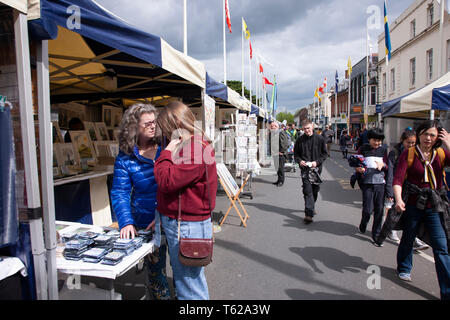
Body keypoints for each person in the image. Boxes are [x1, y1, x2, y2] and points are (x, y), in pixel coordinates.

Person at [154, 101, 218, 300]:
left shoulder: (194, 149)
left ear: (173, 126)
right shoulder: (195, 146)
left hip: (187, 225)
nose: (164, 135)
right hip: (187, 222)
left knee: (189, 286)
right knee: (188, 280)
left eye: (165, 129)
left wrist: (165, 153)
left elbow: (166, 180)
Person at [110, 103, 171, 300]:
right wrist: (126, 221)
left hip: (173, 217)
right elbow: (120, 191)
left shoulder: (167, 145)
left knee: (183, 273)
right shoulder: (125, 157)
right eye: (148, 124)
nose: (154, 126)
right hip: (147, 222)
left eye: (155, 122)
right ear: (134, 127)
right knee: (156, 273)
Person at [393, 121, 450, 300]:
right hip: (413, 203)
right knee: (409, 237)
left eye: (432, 135)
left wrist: (449, 143)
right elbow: (398, 179)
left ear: (437, 137)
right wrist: (399, 199)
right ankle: (404, 267)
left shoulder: (441, 153)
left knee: (441, 247)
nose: (428, 138)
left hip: (434, 205)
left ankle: (447, 292)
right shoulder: (409, 153)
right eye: (425, 134)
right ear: (418, 134)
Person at [384, 129, 429, 250]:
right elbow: (390, 173)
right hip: (397, 186)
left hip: (410, 189)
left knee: (411, 215)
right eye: (408, 142)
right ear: (402, 141)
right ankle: (390, 230)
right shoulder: (395, 153)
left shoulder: (417, 153)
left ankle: (414, 239)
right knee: (395, 211)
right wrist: (390, 190)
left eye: (413, 143)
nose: (411, 145)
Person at [355, 128, 388, 247]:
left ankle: (376, 234)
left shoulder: (384, 150)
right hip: (367, 184)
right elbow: (356, 162)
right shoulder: (363, 149)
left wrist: (383, 165)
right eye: (375, 140)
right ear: (369, 139)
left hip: (380, 184)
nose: (377, 143)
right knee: (368, 210)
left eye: (379, 140)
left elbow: (389, 165)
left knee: (379, 210)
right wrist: (358, 168)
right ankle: (364, 222)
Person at [294, 119, 328, 224]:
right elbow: (296, 155)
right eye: (304, 129)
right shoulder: (299, 140)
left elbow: (324, 154)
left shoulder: (320, 139)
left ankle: (311, 206)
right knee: (307, 190)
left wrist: (316, 162)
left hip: (316, 170)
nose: (306, 130)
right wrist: (300, 161)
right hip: (305, 170)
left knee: (314, 190)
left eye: (308, 128)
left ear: (312, 126)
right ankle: (308, 214)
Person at [270, 121, 291, 187]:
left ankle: (281, 181)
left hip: (280, 154)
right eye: (271, 126)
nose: (272, 127)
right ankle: (279, 180)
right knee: (277, 168)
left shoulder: (280, 132)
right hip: (275, 153)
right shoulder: (273, 133)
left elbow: (285, 143)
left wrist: (281, 151)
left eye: (273, 126)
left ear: (277, 127)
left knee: (281, 168)